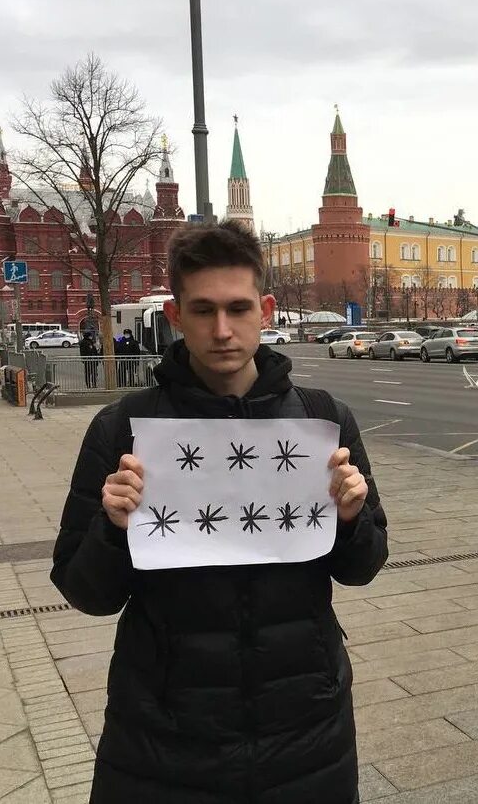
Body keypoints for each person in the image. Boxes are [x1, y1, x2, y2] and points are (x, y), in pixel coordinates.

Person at [51, 220, 387, 803]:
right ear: (176, 317)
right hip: (163, 741)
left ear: (267, 307)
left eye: (238, 308)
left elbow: (362, 566)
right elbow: (86, 593)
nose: (223, 330)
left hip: (304, 732)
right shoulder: (123, 429)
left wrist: (353, 517)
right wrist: (112, 527)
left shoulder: (320, 419)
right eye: (203, 311)